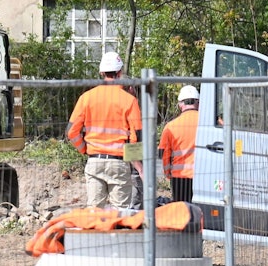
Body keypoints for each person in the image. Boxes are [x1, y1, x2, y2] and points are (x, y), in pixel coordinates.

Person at [66, 51, 143, 209]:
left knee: (94, 213)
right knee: (120, 214)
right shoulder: (130, 101)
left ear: (101, 73)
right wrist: (139, 168)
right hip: (119, 164)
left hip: (95, 161)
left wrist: (85, 150)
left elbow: (71, 132)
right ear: (120, 72)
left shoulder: (86, 98)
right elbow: (136, 137)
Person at [159, 84, 199, 203]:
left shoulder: (170, 127)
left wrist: (168, 173)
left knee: (182, 211)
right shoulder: (208, 123)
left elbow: (164, 153)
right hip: (203, 176)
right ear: (198, 102)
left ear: (180, 104)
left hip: (180, 178)